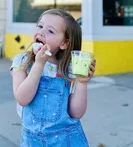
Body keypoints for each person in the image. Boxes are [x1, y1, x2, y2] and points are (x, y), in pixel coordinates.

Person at [11, 8, 96, 146]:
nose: (41, 32)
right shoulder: (22, 62)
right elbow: (22, 98)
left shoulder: (68, 69)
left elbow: (76, 113)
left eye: (50, 31)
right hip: (34, 141)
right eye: (40, 26)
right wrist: (39, 64)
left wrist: (82, 83)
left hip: (67, 140)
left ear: (64, 43)